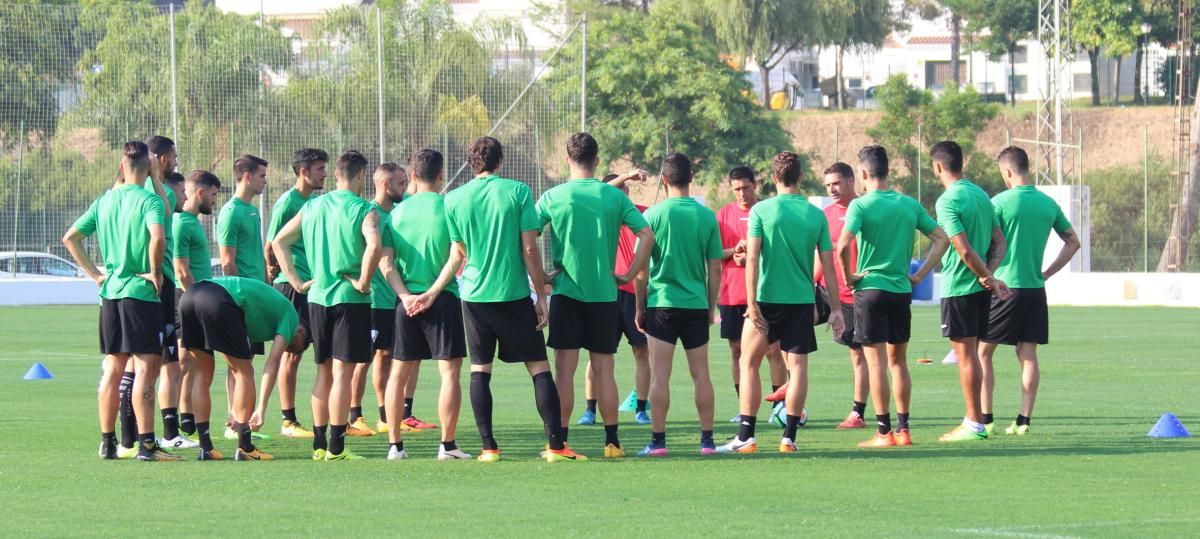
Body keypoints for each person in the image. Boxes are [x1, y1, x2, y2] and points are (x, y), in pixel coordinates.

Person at [443, 136, 579, 462]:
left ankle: (488, 448)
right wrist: (541, 291)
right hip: (512, 294)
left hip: (473, 295)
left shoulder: (454, 199)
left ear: (473, 164)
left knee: (480, 370)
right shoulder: (518, 191)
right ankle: (556, 447)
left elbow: (459, 252)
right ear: (500, 162)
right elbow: (530, 248)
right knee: (539, 368)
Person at [717, 152, 844, 454]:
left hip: (766, 299)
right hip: (800, 301)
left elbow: (752, 259)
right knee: (797, 368)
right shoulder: (816, 215)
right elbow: (828, 265)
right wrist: (836, 309)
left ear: (773, 179)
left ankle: (746, 435)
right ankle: (789, 438)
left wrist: (751, 302)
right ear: (801, 177)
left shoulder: (762, 210)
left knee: (748, 362)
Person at [537, 132, 654, 459]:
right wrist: (631, 273)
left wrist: (541, 278)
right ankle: (612, 442)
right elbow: (647, 234)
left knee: (565, 371)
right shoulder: (614, 197)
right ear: (597, 160)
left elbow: (527, 237)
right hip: (605, 295)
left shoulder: (553, 196)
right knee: (605, 369)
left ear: (566, 159)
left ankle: (558, 443)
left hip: (566, 293)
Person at [63, 141, 176, 460]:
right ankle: (147, 445)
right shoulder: (149, 201)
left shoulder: (104, 202)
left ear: (122, 166)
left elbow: (70, 238)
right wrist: (155, 272)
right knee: (145, 369)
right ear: (149, 167)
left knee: (113, 369)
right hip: (140, 294)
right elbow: (159, 235)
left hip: (110, 294)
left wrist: (96, 275)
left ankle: (107, 442)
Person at [837, 145, 949, 449]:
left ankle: (883, 432)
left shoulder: (859, 207)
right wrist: (921, 274)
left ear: (862, 173)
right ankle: (903, 429)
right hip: (900, 291)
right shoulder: (908, 204)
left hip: (870, 290)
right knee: (898, 362)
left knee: (876, 364)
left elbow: (842, 246)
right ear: (887, 171)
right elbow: (942, 239)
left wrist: (849, 276)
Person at [274, 150, 383, 461]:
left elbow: (279, 241)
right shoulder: (365, 209)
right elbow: (374, 245)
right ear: (361, 175)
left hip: (317, 298)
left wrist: (295, 280)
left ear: (337, 175)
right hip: (350, 299)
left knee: (323, 371)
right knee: (343, 374)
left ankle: (319, 445)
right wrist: (364, 280)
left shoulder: (313, 206)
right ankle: (337, 446)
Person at [979, 146, 1080, 435]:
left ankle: (986, 419)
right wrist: (1047, 272)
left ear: (1007, 171)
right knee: (1028, 353)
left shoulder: (997, 202)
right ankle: (1023, 421)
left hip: (1004, 287)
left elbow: (986, 242)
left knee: (982, 352)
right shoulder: (1048, 203)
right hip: (1035, 288)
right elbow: (1073, 242)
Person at [378, 149, 472, 460]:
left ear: (413, 176)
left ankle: (395, 446)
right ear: (442, 174)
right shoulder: (449, 208)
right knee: (450, 373)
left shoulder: (395, 215)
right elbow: (456, 255)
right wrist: (431, 293)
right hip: (442, 298)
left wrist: (405, 296)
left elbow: (386, 264)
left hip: (406, 304)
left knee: (398, 375)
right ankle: (447, 446)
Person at [634, 152, 720, 457]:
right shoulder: (707, 216)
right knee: (702, 374)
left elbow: (641, 269)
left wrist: (639, 306)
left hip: (662, 305)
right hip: (695, 304)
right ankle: (707, 441)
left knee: (660, 374)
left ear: (664, 180)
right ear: (692, 178)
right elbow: (715, 268)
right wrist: (711, 306)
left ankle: (658, 442)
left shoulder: (653, 216)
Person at [930, 140, 1011, 443]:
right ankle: (975, 419)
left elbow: (962, 248)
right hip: (979, 288)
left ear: (938, 166)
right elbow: (999, 242)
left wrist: (985, 275)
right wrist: (989, 274)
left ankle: (973, 422)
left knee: (965, 356)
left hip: (960, 286)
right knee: (973, 355)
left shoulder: (947, 201)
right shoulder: (981, 195)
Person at [179, 276, 309, 461]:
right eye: (291, 346)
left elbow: (232, 367)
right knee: (246, 373)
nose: (287, 347)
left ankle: (206, 448)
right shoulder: (292, 318)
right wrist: (261, 409)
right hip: (218, 298)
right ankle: (245, 448)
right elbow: (272, 363)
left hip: (189, 296)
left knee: (201, 374)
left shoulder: (261, 317)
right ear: (300, 332)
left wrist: (233, 409)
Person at [578, 173, 652, 427]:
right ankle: (590, 410)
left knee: (642, 351)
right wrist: (626, 175)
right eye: (615, 188)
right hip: (606, 293)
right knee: (597, 354)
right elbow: (596, 190)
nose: (620, 194)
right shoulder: (599, 213)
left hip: (636, 293)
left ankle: (641, 408)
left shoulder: (642, 214)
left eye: (624, 189)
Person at [262, 148, 327, 439]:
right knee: (292, 352)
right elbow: (272, 243)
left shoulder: (314, 201)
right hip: (291, 286)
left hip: (310, 285)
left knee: (309, 352)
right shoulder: (288, 202)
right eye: (319, 169)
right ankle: (288, 420)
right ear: (304, 172)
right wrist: (277, 277)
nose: (324, 173)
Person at [715, 167, 787, 423]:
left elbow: (778, 251)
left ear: (755, 185)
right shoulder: (722, 216)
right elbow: (713, 253)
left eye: (746, 187)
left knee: (773, 350)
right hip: (732, 294)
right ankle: (742, 406)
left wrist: (752, 257)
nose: (742, 194)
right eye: (736, 189)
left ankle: (778, 406)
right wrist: (733, 251)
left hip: (764, 293)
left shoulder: (768, 212)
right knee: (737, 352)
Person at [347, 163, 408, 437]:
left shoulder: (400, 211)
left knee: (386, 355)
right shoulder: (369, 213)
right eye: (400, 184)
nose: (404, 188)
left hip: (393, 299)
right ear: (385, 185)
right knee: (364, 358)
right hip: (371, 300)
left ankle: (385, 415)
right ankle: (354, 415)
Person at [143, 137, 194, 451]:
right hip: (157, 289)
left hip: (162, 288)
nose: (176, 159)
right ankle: (160, 435)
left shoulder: (155, 196)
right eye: (174, 156)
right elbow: (156, 241)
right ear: (161, 159)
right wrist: (157, 274)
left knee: (164, 365)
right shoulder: (152, 198)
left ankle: (157, 434)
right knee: (157, 365)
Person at [217, 154, 269, 440]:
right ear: (247, 177)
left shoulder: (251, 210)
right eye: (261, 175)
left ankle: (241, 419)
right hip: (241, 298)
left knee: (246, 359)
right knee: (238, 362)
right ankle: (234, 421)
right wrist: (240, 296)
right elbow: (227, 262)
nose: (265, 180)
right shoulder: (231, 212)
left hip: (256, 296)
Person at [817, 162, 871, 429]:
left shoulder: (865, 210)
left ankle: (857, 413)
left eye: (836, 183)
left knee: (858, 354)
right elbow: (821, 254)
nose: (832, 189)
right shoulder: (824, 215)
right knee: (784, 326)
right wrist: (809, 282)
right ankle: (788, 387)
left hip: (856, 295)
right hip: (827, 291)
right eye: (827, 185)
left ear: (852, 181)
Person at [172, 169, 220, 456]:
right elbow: (181, 269)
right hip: (190, 300)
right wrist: (196, 302)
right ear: (200, 193)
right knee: (184, 363)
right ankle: (177, 426)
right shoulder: (182, 224)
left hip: (196, 298)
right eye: (213, 195)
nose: (215, 201)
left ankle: (186, 421)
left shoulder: (192, 223)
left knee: (192, 362)